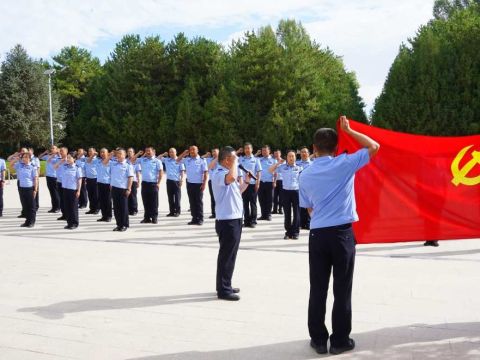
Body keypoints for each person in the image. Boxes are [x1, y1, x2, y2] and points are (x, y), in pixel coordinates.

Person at [300, 116, 379, 355]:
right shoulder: (344, 163)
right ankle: (340, 340)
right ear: (336, 147)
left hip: (318, 234)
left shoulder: (305, 174)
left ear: (314, 148)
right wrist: (350, 130)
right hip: (342, 234)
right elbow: (374, 146)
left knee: (318, 288)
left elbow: (309, 208)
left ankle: (318, 339)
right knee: (342, 288)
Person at [211, 146, 251, 301]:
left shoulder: (227, 174)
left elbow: (237, 190)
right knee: (226, 256)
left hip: (234, 218)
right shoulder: (219, 174)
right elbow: (231, 178)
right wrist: (235, 163)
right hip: (227, 221)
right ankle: (223, 290)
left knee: (231, 255)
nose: (237, 161)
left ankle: (225, 284)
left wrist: (246, 181)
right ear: (227, 160)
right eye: (234, 158)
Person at [270, 150, 302, 240]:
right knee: (287, 213)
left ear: (295, 157)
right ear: (286, 158)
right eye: (289, 156)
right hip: (286, 192)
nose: (291, 158)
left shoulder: (300, 168)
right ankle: (288, 232)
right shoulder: (282, 167)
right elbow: (270, 170)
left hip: (296, 191)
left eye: (292, 156)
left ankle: (295, 232)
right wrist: (278, 163)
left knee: (296, 213)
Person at [178, 146, 208, 225]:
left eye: (193, 149)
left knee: (198, 202)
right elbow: (177, 160)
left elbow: (205, 173)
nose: (192, 151)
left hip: (199, 184)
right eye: (190, 150)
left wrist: (204, 183)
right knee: (192, 202)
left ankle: (200, 218)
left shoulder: (202, 160)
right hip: (190, 183)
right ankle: (194, 218)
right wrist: (184, 153)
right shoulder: (187, 159)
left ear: (197, 151)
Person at [11, 152, 38, 227]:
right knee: (25, 205)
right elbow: (11, 165)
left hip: (29, 188)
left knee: (31, 206)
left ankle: (31, 222)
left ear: (29, 158)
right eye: (23, 157)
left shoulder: (33, 167)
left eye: (26, 157)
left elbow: (35, 178)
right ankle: (27, 221)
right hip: (22, 188)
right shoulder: (20, 165)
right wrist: (16, 159)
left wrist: (35, 190)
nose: (24, 158)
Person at [110, 148, 134, 231]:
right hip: (114, 188)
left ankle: (124, 225)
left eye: (121, 154)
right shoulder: (114, 164)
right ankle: (119, 224)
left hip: (123, 189)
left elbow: (130, 177)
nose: (119, 155)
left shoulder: (128, 165)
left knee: (123, 208)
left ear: (125, 155)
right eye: (117, 154)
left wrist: (129, 188)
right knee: (116, 208)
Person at [238, 143, 262, 228]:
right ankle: (246, 221)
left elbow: (259, 172)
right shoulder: (241, 159)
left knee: (253, 203)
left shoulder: (256, 159)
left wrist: (257, 183)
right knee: (245, 203)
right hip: (244, 184)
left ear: (252, 149)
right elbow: (238, 171)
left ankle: (253, 221)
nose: (247, 150)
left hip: (252, 184)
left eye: (249, 148)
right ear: (244, 150)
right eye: (246, 148)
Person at [138, 146, 163, 224]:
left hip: (153, 184)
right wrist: (140, 154)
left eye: (149, 151)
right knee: (146, 201)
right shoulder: (142, 160)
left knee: (154, 202)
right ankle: (147, 218)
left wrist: (158, 183)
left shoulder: (157, 161)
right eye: (146, 151)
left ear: (153, 151)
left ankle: (154, 217)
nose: (148, 152)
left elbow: (161, 172)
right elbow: (132, 160)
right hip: (144, 183)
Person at [159, 148, 185, 217]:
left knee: (177, 197)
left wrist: (181, 179)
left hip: (176, 181)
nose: (171, 153)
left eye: (172, 152)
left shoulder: (179, 160)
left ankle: (177, 211)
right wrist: (163, 154)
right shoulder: (167, 160)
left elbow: (182, 171)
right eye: (170, 152)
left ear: (176, 152)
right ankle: (171, 211)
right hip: (169, 181)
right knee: (170, 197)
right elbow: (158, 158)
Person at [61, 153, 82, 229]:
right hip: (65, 189)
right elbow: (55, 167)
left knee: (73, 207)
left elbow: (79, 179)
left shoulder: (77, 168)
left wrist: (79, 190)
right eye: (67, 158)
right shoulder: (65, 167)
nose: (68, 159)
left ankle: (75, 223)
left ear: (74, 159)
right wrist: (62, 160)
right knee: (67, 207)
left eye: (70, 158)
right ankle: (69, 223)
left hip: (73, 190)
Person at [39, 146, 61, 213]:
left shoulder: (58, 157)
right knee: (51, 193)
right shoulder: (48, 156)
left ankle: (58, 207)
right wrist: (45, 152)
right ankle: (53, 207)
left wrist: (55, 154)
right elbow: (39, 157)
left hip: (54, 177)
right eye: (51, 148)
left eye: (53, 148)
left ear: (57, 149)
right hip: (48, 176)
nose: (51, 149)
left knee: (55, 193)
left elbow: (49, 161)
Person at [258, 145, 276, 221]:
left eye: (265, 150)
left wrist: (274, 181)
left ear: (269, 151)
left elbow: (276, 173)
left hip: (269, 182)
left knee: (269, 199)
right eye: (263, 151)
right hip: (261, 182)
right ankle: (263, 214)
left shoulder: (273, 161)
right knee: (261, 199)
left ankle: (268, 214)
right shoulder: (259, 160)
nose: (264, 152)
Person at [297, 147, 313, 230]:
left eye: (305, 152)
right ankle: (300, 223)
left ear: (308, 154)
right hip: (298, 187)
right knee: (300, 206)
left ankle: (308, 223)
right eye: (302, 152)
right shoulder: (297, 163)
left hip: (310, 187)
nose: (303, 154)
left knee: (309, 205)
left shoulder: (313, 164)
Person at [96, 148, 113, 222]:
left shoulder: (111, 162)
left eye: (104, 152)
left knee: (108, 200)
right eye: (101, 152)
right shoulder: (98, 161)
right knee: (101, 200)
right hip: (100, 183)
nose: (102, 153)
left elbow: (113, 174)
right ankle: (104, 215)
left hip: (107, 183)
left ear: (108, 153)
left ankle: (108, 216)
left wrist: (112, 183)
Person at [52, 147, 68, 221]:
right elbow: (54, 167)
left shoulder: (69, 159)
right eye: (60, 151)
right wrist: (61, 161)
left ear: (66, 152)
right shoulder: (58, 159)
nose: (61, 152)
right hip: (59, 182)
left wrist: (66, 160)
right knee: (61, 199)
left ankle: (68, 214)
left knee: (67, 199)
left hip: (67, 183)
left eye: (63, 151)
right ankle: (64, 214)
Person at [84, 148, 100, 215]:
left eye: (91, 151)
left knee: (95, 195)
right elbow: (88, 161)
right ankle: (92, 208)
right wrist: (92, 155)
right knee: (90, 194)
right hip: (88, 178)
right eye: (89, 151)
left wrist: (94, 156)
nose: (90, 152)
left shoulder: (98, 159)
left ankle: (97, 208)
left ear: (94, 151)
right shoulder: (86, 159)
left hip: (95, 179)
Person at [127, 148, 141, 216]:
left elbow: (137, 172)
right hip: (126, 181)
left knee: (133, 196)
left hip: (134, 180)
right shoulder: (125, 160)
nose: (129, 153)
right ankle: (128, 209)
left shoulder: (136, 161)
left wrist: (138, 181)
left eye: (131, 152)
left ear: (133, 153)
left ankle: (134, 209)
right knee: (127, 195)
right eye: (128, 152)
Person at [205, 149, 219, 219]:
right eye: (212, 152)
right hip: (211, 181)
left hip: (219, 181)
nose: (213, 153)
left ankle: (220, 212)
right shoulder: (209, 159)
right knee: (213, 198)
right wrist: (206, 155)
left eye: (215, 152)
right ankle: (214, 213)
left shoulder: (222, 160)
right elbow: (201, 158)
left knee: (219, 197)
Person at [272, 149, 284, 215]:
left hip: (281, 180)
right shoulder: (273, 161)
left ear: (280, 154)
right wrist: (274, 181)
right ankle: (274, 209)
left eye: (277, 153)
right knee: (275, 196)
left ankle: (280, 209)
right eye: (275, 153)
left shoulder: (284, 161)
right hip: (274, 180)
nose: (276, 155)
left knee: (281, 196)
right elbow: (273, 171)